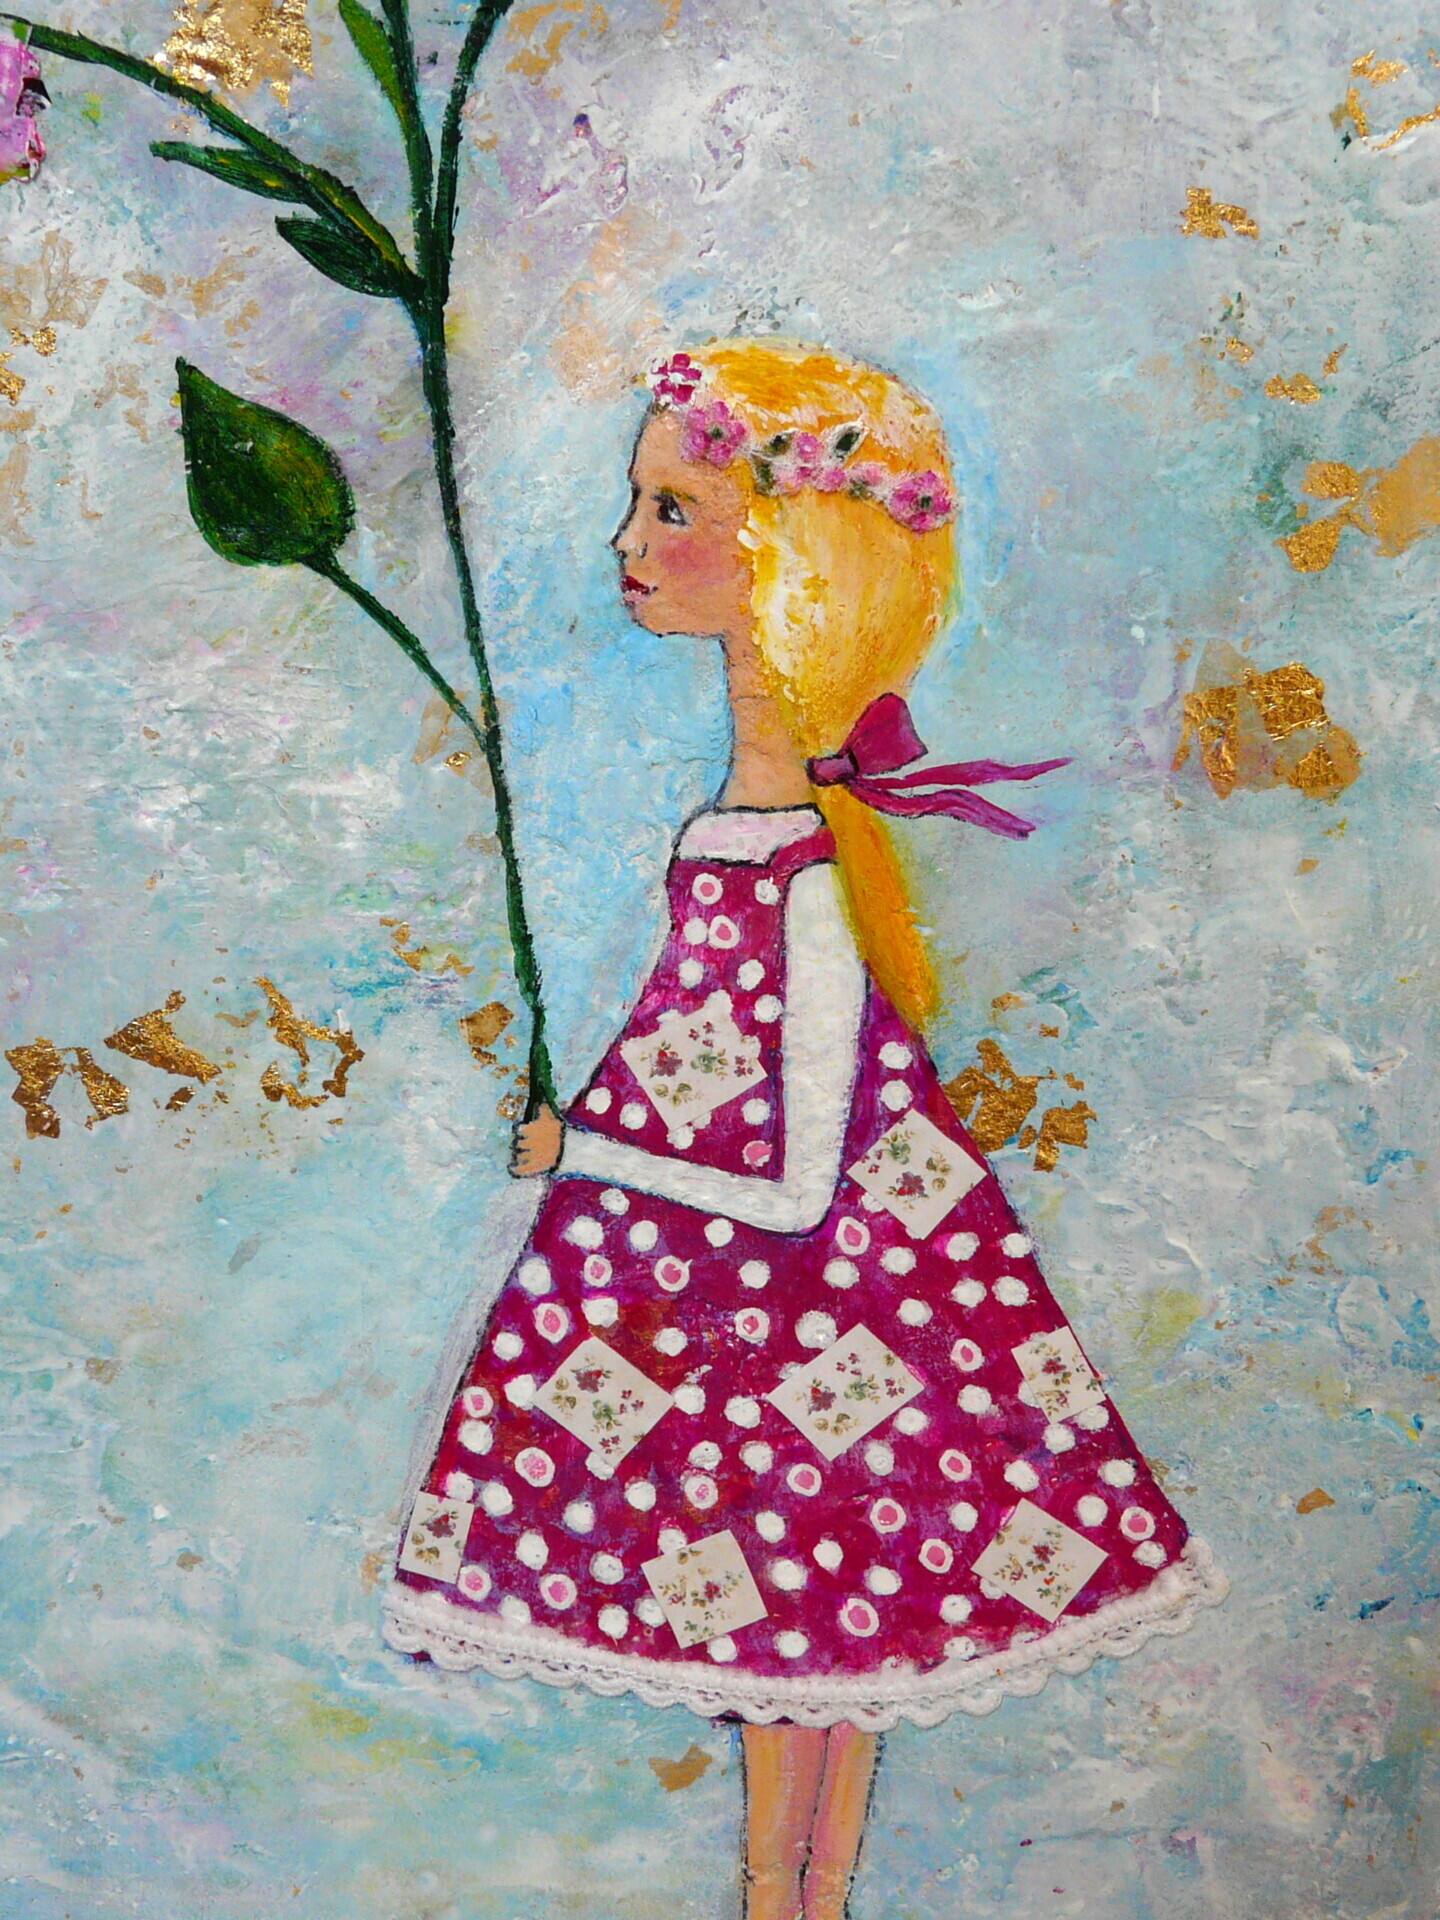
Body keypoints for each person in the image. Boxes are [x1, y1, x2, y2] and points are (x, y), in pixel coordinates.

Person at [382, 339, 1225, 1920]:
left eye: (671, 509)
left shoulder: (799, 871)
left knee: (809, 1635)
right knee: (813, 1651)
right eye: (639, 505)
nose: (628, 545)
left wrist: (584, 1156)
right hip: (755, 1315)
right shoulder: (746, 833)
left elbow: (784, 1178)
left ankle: (793, 1902)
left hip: (815, 1325)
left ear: (784, 556)